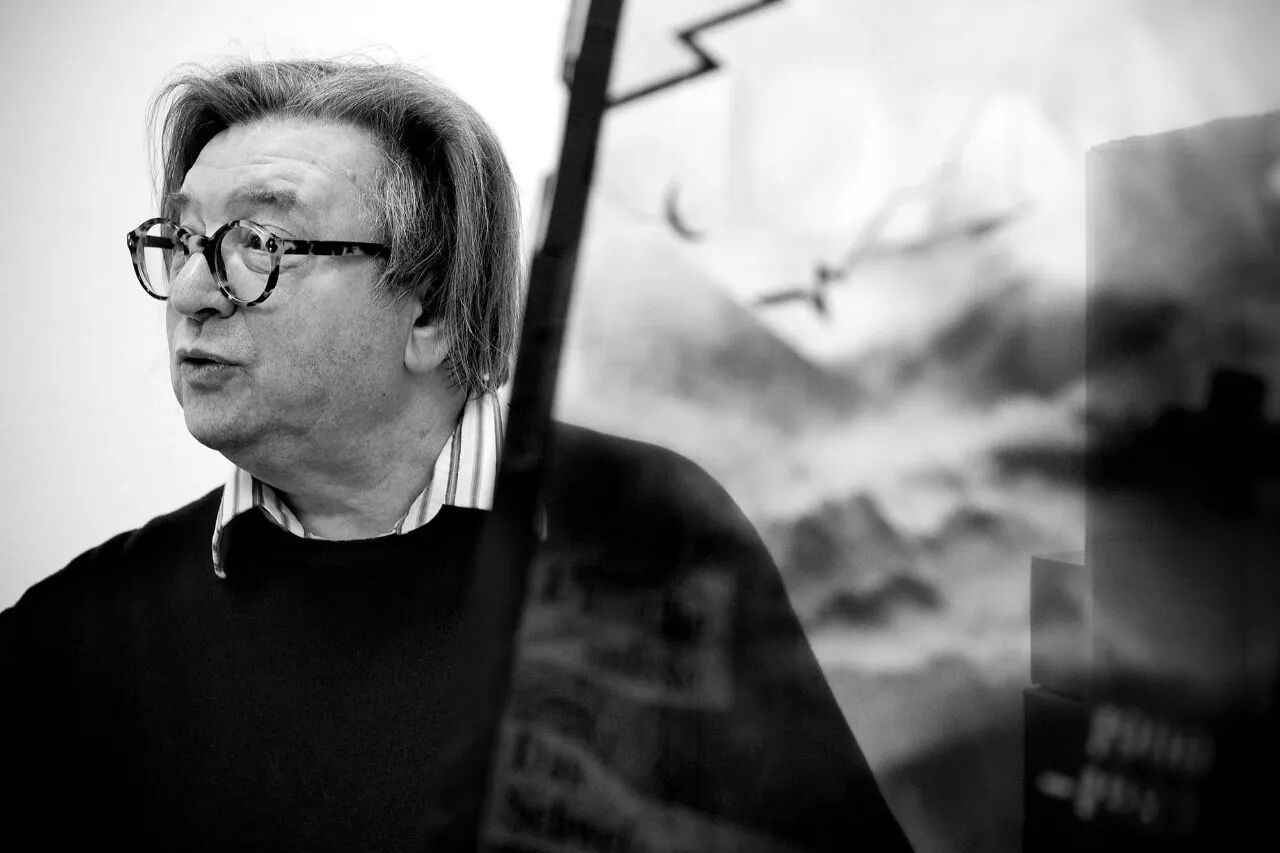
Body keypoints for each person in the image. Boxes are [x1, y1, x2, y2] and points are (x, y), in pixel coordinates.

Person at [1, 58, 911, 851]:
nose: (193, 292)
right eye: (181, 240)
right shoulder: (76, 638)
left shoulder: (644, 534)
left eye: (259, 243)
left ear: (431, 310)